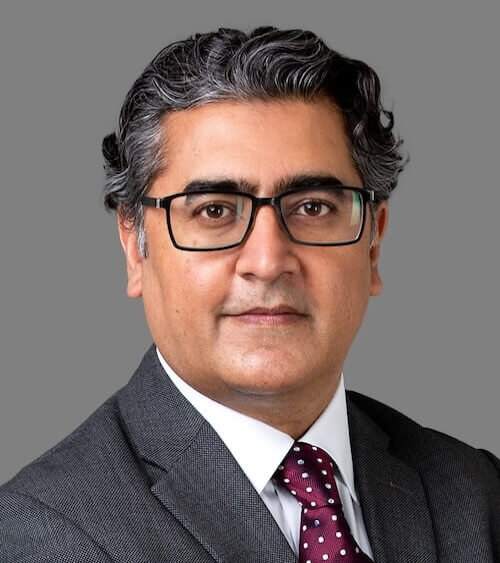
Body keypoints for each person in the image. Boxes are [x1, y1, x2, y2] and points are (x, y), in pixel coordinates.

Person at [0, 26, 498, 563]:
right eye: (214, 210)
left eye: (313, 207)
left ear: (372, 244)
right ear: (134, 247)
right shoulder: (44, 534)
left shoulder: (475, 493)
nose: (267, 262)